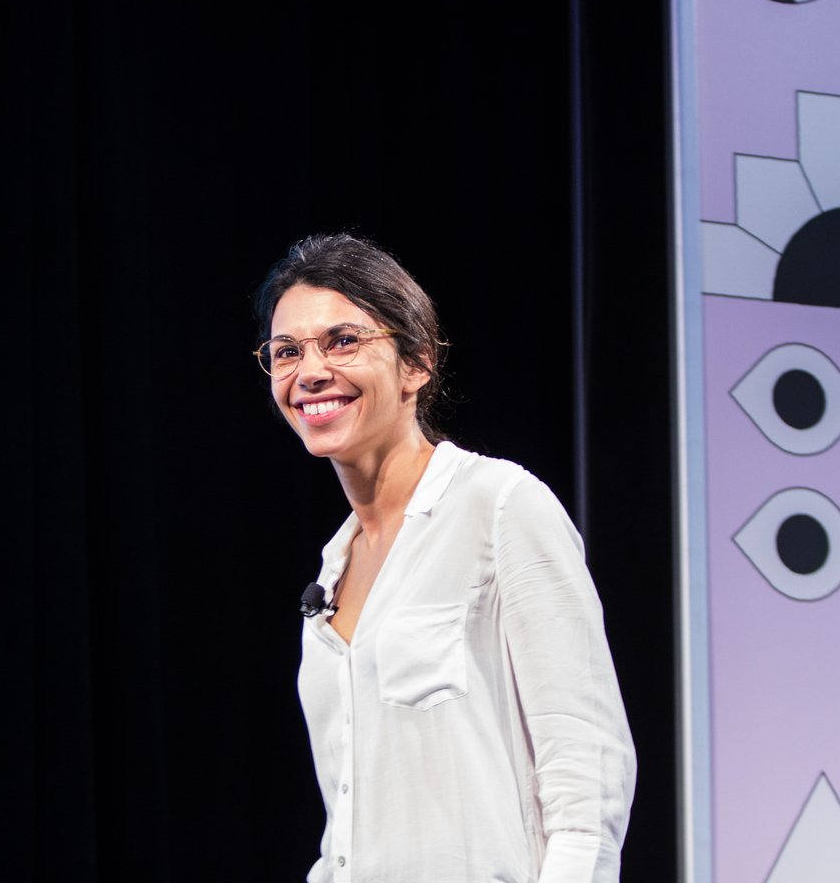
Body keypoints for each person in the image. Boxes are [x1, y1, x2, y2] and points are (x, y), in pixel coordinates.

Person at [253, 233, 636, 883]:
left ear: (417, 363)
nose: (309, 371)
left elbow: (588, 776)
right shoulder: (332, 568)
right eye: (286, 351)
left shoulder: (499, 507)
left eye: (343, 341)